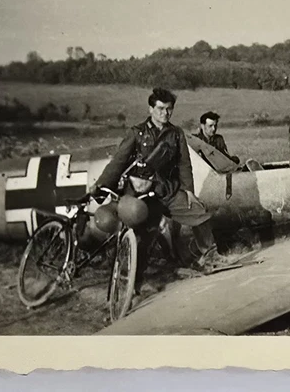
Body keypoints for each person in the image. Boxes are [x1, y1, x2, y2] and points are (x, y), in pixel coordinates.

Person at [93, 88, 237, 289]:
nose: (165, 113)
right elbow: (118, 162)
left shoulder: (176, 134)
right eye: (160, 108)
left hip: (168, 192)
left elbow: (184, 164)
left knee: (198, 211)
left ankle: (211, 256)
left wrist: (189, 192)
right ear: (150, 109)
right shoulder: (136, 133)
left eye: (169, 109)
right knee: (143, 237)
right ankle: (133, 282)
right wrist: (101, 186)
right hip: (143, 196)